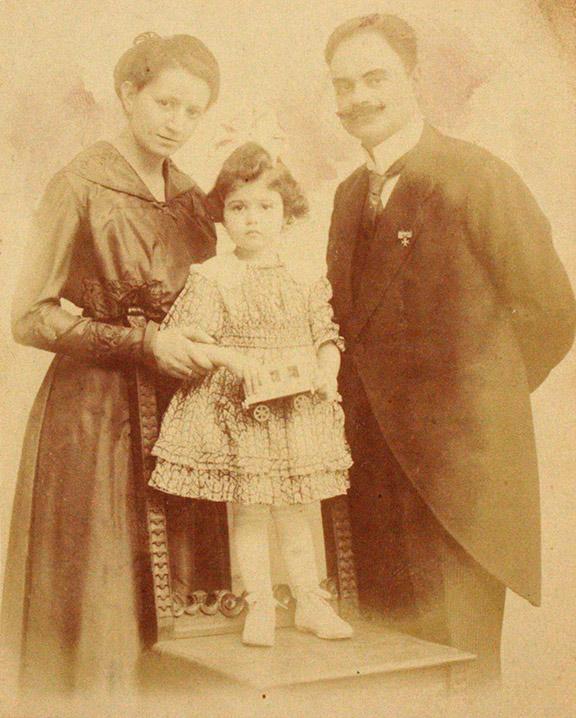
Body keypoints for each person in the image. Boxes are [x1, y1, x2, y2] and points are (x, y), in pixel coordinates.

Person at [324, 13, 576, 681]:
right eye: (343, 86)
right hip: (369, 475)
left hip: (457, 482)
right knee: (386, 672)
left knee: (458, 676)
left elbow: (552, 311)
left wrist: (475, 400)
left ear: (413, 79)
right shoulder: (349, 197)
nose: (358, 99)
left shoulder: (477, 176)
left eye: (374, 78)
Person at [1, 32, 226, 695]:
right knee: (100, 604)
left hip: (178, 417)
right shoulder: (79, 182)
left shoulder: (191, 198)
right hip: (93, 420)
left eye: (193, 111)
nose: (176, 123)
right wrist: (141, 344)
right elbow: (29, 315)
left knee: (179, 608)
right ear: (128, 93)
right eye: (164, 102)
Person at [148, 142, 353, 646]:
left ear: (287, 213)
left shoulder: (305, 275)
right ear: (222, 214)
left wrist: (328, 369)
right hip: (239, 410)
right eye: (238, 207)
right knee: (250, 511)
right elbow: (194, 338)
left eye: (266, 206)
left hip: (294, 406)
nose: (252, 219)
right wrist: (237, 361)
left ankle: (309, 601)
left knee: (296, 510)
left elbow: (326, 334)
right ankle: (259, 605)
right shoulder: (214, 276)